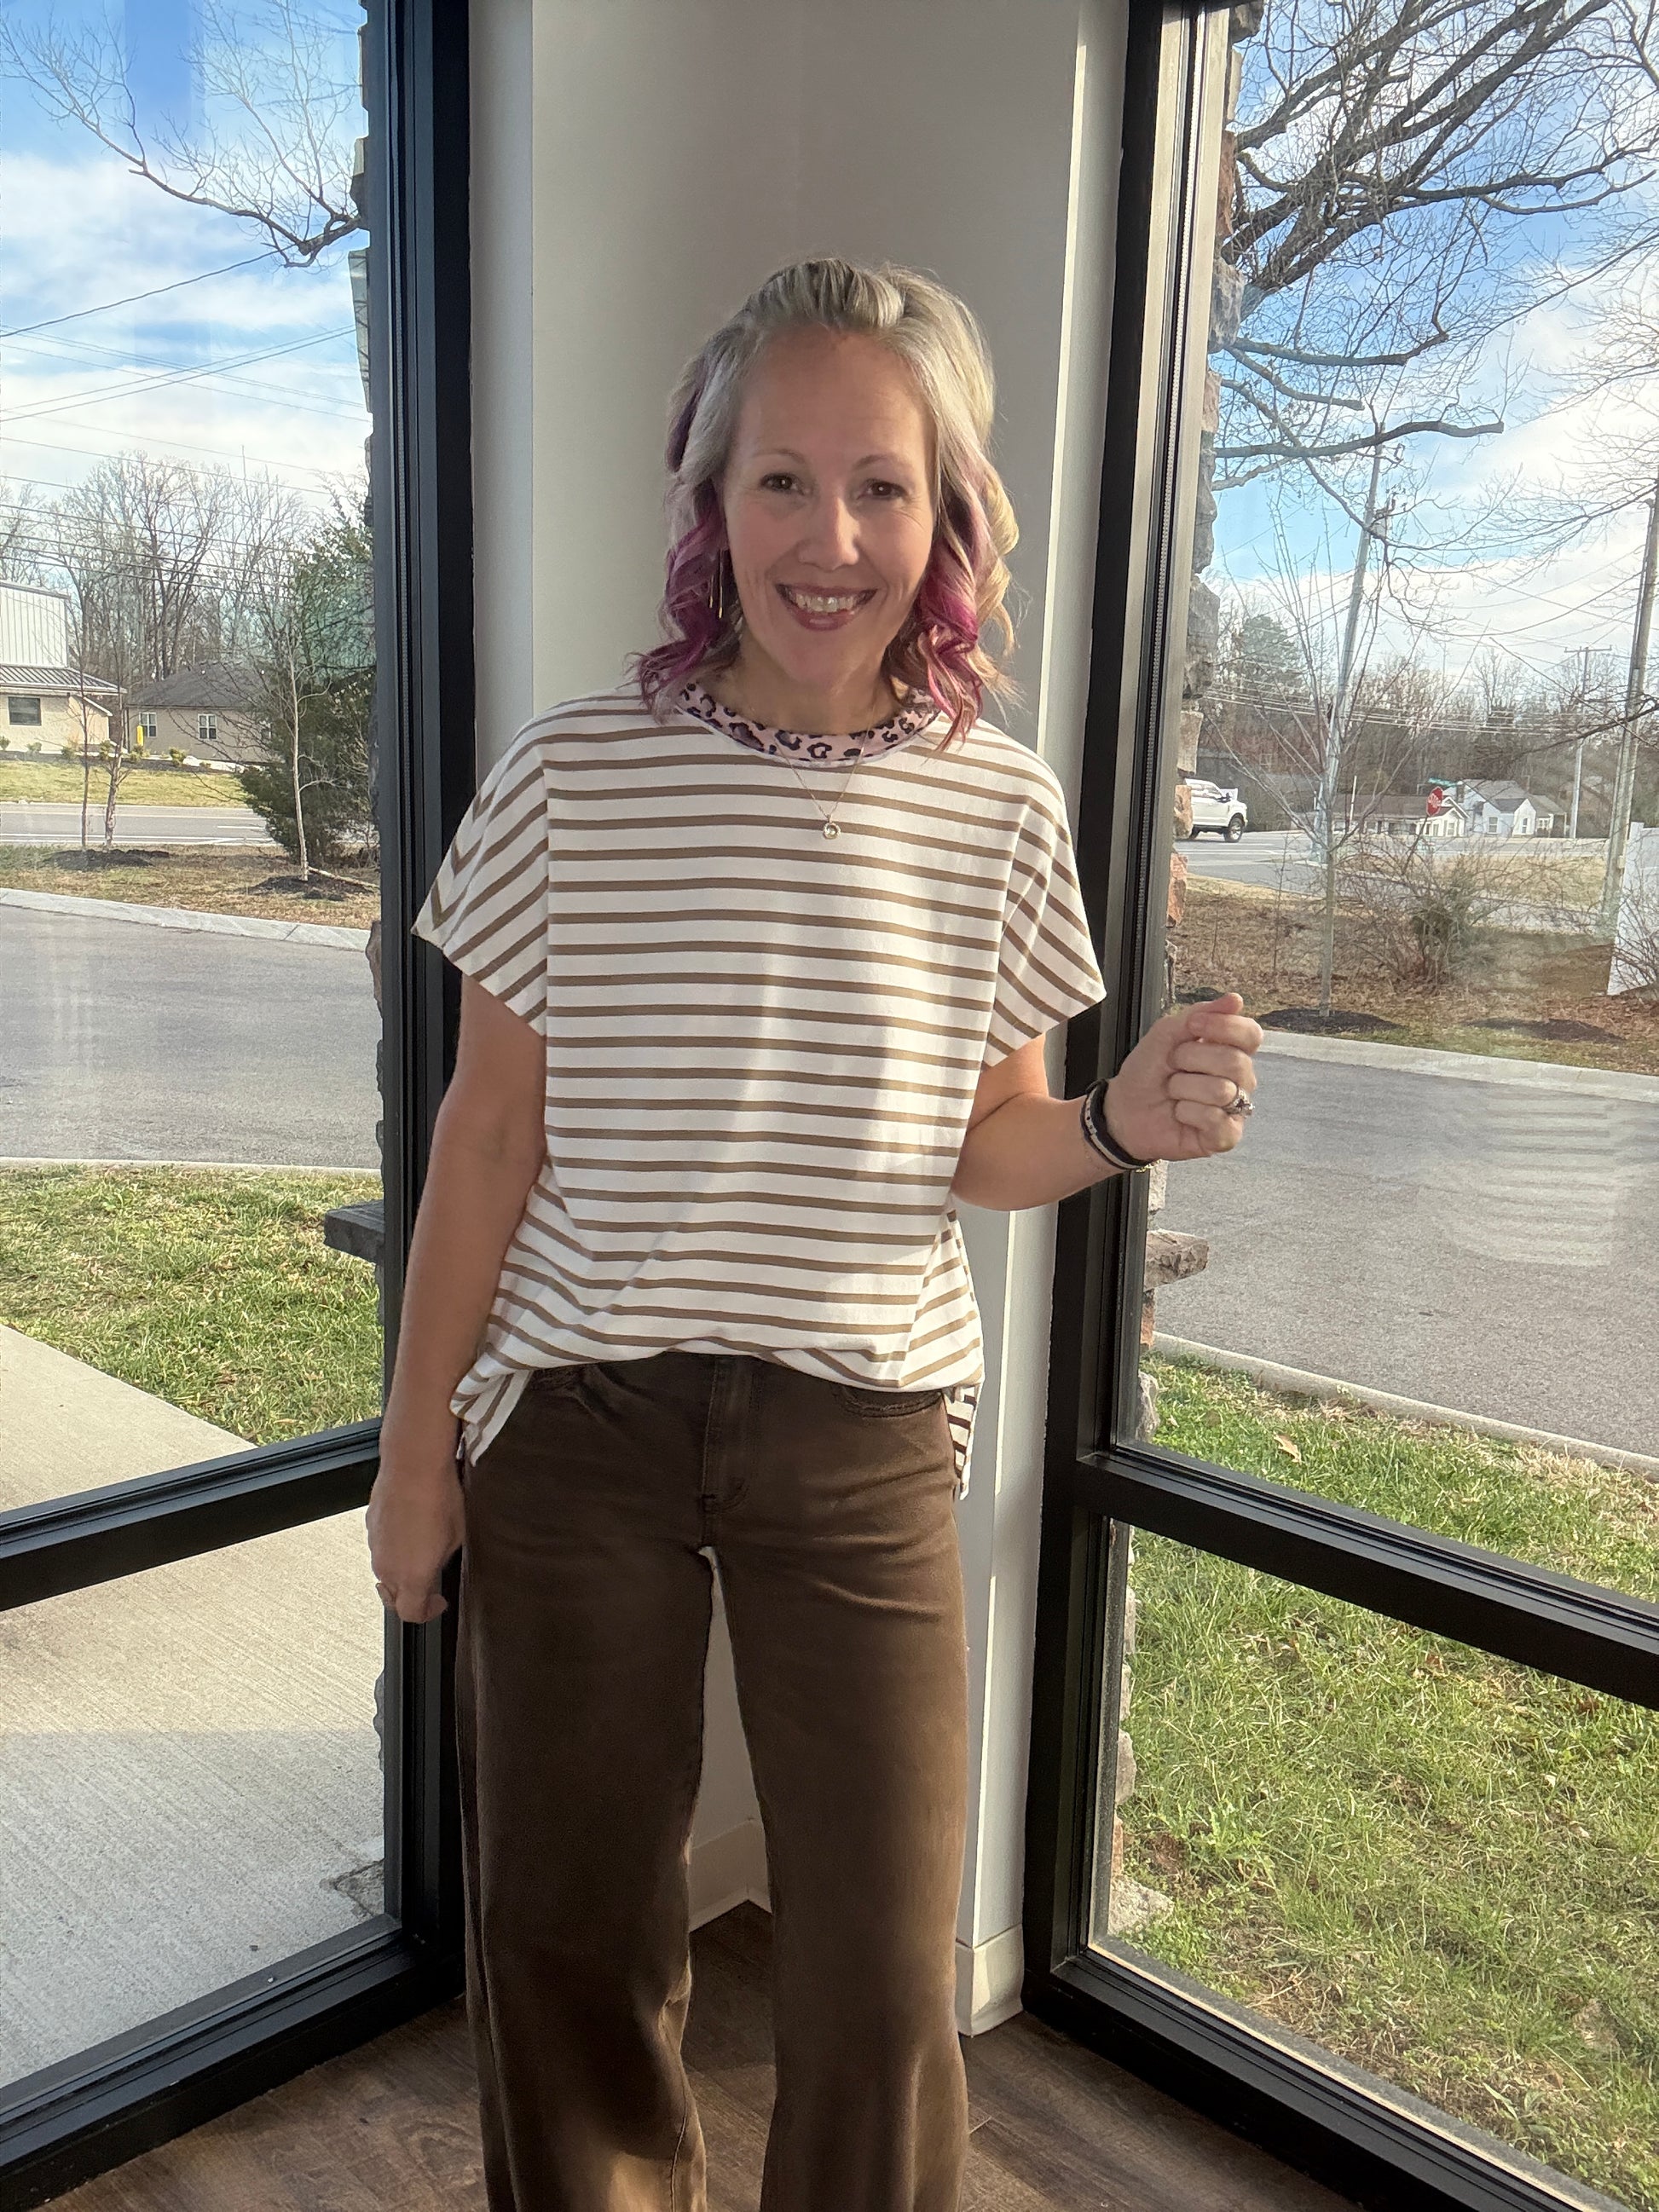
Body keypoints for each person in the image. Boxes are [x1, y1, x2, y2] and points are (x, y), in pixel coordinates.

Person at [365, 256, 1260, 2212]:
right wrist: (412, 1451)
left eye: (880, 485)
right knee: (570, 1929)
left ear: (945, 517)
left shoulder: (998, 805)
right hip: (578, 1418)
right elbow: (486, 1133)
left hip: (861, 1427)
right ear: (711, 498)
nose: (828, 537)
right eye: (781, 478)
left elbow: (985, 1141)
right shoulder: (570, 773)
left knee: (877, 1962)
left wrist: (1117, 1121)